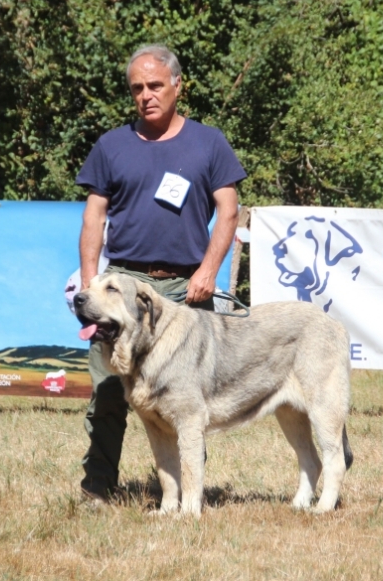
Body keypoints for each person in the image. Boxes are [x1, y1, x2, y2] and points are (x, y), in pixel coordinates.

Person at [75, 44, 247, 502]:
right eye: (137, 88)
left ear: (177, 85)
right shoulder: (112, 145)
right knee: (110, 396)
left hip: (184, 289)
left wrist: (208, 271)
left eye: (154, 85)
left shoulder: (208, 142)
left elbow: (228, 212)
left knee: (184, 400)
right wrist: (92, 282)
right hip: (121, 288)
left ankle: (186, 495)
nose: (145, 95)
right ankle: (98, 490)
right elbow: (94, 217)